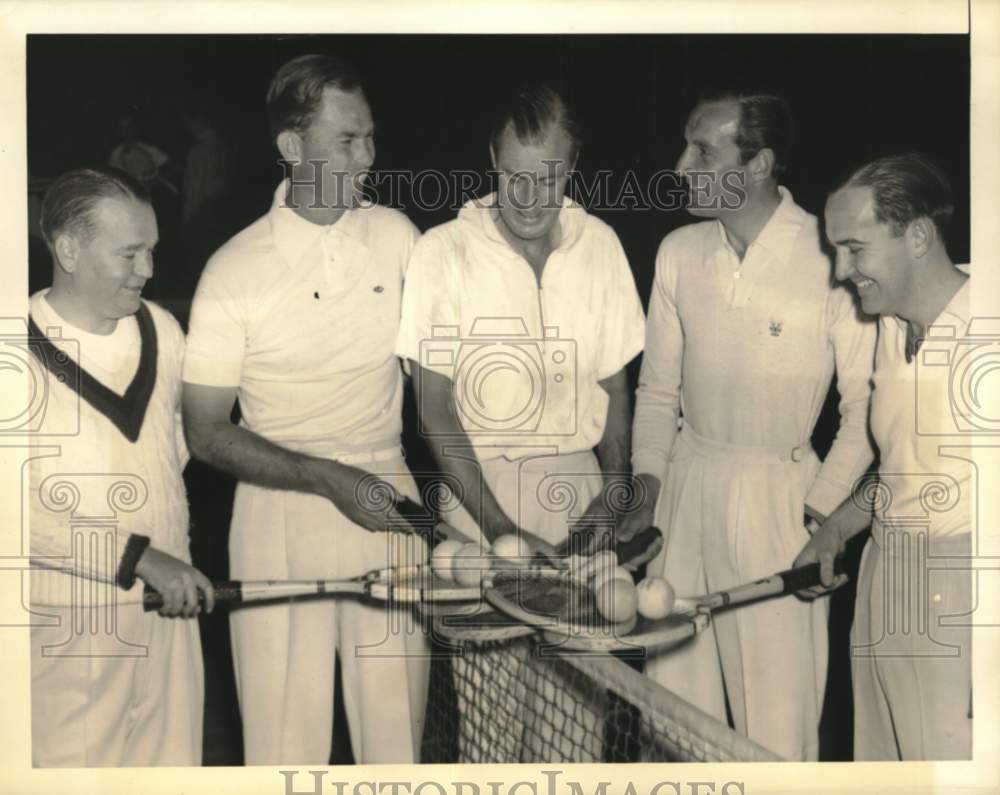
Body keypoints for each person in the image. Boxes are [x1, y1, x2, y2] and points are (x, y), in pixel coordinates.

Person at [182, 53, 428, 765]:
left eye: (371, 137)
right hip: (275, 516)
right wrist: (324, 477)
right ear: (292, 148)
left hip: (391, 506)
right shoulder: (233, 268)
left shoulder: (399, 236)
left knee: (396, 747)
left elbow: (444, 396)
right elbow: (204, 432)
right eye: (348, 141)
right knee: (284, 751)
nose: (369, 158)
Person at [396, 83, 649, 761]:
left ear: (573, 167)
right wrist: (501, 530)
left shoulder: (602, 245)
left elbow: (614, 382)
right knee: (491, 728)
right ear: (491, 160)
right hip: (481, 496)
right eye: (513, 177)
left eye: (548, 177)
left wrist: (614, 485)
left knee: (576, 724)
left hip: (580, 491)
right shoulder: (440, 252)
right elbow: (434, 410)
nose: (529, 198)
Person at [623, 92, 876, 760]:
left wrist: (820, 520)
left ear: (759, 163)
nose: (681, 166)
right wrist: (646, 490)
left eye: (703, 151)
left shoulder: (831, 256)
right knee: (674, 725)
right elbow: (656, 391)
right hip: (682, 495)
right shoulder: (678, 251)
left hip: (781, 507)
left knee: (776, 734)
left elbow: (865, 417)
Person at [27, 167, 213, 767]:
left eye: (152, 251)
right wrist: (137, 558)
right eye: (130, 253)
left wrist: (165, 559)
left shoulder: (163, 329)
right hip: (66, 627)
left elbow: (172, 457)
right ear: (69, 249)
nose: (148, 271)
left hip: (167, 616)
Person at [796, 153, 972, 760]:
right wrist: (837, 527)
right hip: (881, 572)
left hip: (962, 590)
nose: (841, 270)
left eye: (855, 248)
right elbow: (900, 468)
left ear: (917, 235)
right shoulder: (890, 327)